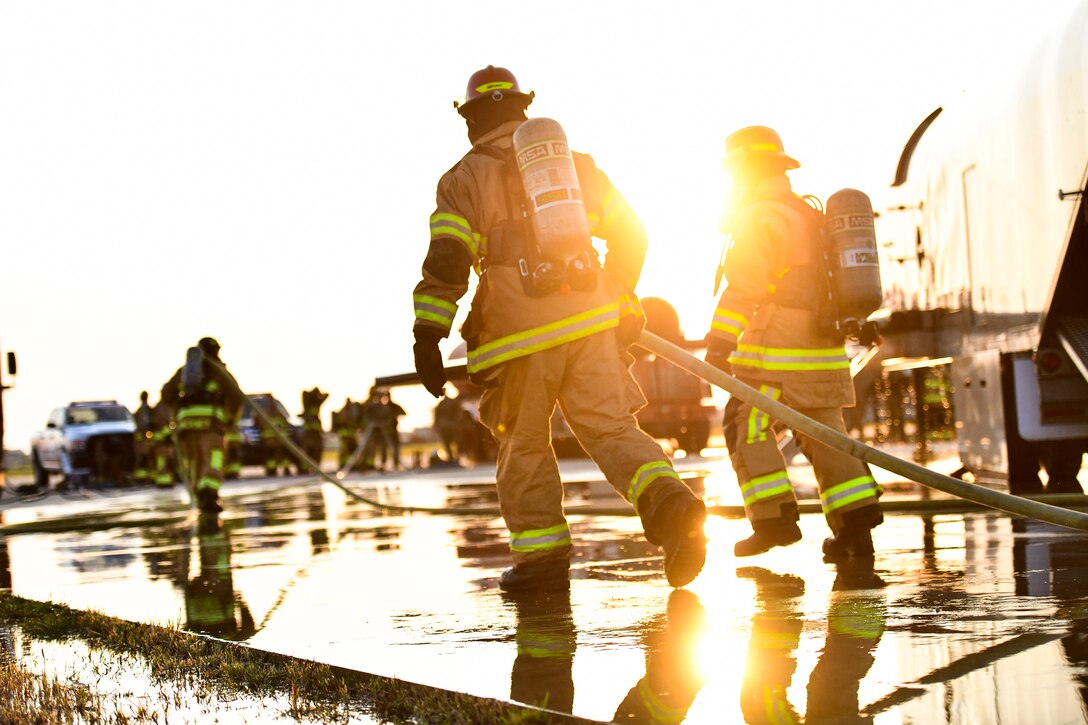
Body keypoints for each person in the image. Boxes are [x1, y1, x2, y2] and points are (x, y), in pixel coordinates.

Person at [410, 65, 706, 592]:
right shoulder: (576, 165)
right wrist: (615, 295)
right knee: (612, 428)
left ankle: (542, 563)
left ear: (471, 117)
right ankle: (671, 503)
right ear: (523, 108)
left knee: (523, 442)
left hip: (518, 332)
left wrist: (429, 333)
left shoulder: (463, 179)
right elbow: (632, 234)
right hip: (592, 319)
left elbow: (449, 260)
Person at [706, 126, 882, 560]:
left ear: (744, 170)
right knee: (826, 436)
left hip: (777, 352)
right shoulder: (807, 214)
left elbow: (745, 284)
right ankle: (855, 534)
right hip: (822, 350)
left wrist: (720, 338)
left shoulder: (761, 216)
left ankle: (772, 521)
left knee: (745, 421)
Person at [160, 337, 244, 513]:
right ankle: (209, 493)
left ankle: (200, 496)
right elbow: (236, 396)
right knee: (213, 458)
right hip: (211, 424)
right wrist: (230, 419)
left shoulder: (184, 372)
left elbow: (166, 394)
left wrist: (176, 413)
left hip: (186, 426)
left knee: (193, 462)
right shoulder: (219, 371)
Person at [434, 389, 467, 464]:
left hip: (450, 426)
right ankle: (453, 457)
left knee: (453, 442)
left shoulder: (445, 404)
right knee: (450, 442)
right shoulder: (443, 404)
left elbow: (458, 414)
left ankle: (454, 457)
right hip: (449, 426)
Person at [300, 387, 329, 468]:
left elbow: (327, 395)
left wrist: (318, 395)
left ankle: (315, 465)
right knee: (307, 448)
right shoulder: (307, 402)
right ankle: (305, 467)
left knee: (317, 448)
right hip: (308, 430)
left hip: (315, 430)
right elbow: (304, 392)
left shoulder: (317, 402)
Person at [132, 390, 155, 484]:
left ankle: (143, 476)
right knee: (145, 457)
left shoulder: (140, 410)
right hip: (144, 438)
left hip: (143, 438)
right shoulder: (146, 410)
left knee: (143, 457)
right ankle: (143, 476)